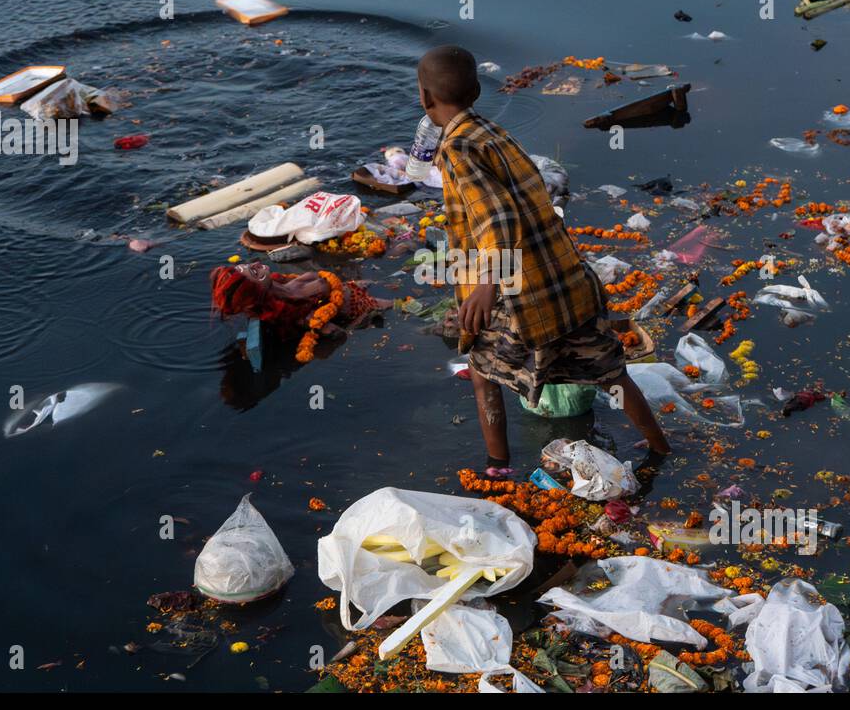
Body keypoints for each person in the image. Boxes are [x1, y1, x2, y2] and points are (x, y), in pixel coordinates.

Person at [417, 44, 671, 470]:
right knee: (613, 373)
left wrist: (484, 285)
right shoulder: (493, 133)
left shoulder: (457, 150)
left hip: (519, 293)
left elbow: (498, 219)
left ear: (425, 99)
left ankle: (498, 468)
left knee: (482, 374)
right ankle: (660, 448)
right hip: (568, 282)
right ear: (477, 91)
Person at [210, 262, 389, 363]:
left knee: (384, 280)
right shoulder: (296, 314)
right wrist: (362, 320)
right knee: (397, 303)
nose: (257, 263)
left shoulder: (277, 282)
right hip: (360, 306)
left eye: (249, 265)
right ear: (258, 293)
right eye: (255, 272)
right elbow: (337, 333)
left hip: (348, 288)